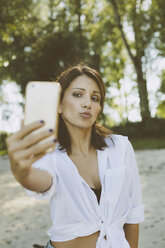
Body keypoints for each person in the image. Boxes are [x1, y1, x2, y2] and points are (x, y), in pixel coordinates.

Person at [6, 64, 145, 248]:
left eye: (95, 98)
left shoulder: (120, 147)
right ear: (59, 105)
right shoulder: (50, 155)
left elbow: (132, 214)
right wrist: (22, 173)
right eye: (78, 94)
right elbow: (38, 180)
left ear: (99, 108)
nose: (87, 102)